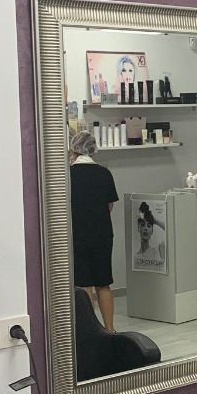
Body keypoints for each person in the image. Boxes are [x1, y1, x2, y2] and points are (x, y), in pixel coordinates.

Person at [69, 130, 118, 332]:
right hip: (102, 234)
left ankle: (91, 331)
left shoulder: (68, 175)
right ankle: (110, 329)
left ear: (73, 151)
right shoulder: (104, 173)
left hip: (78, 234)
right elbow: (109, 206)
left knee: (84, 284)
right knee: (103, 283)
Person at [135, 201, 166, 266]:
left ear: (152, 231)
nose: (146, 228)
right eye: (143, 225)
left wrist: (155, 221)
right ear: (138, 229)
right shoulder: (135, 257)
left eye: (149, 226)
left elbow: (171, 231)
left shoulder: (160, 250)